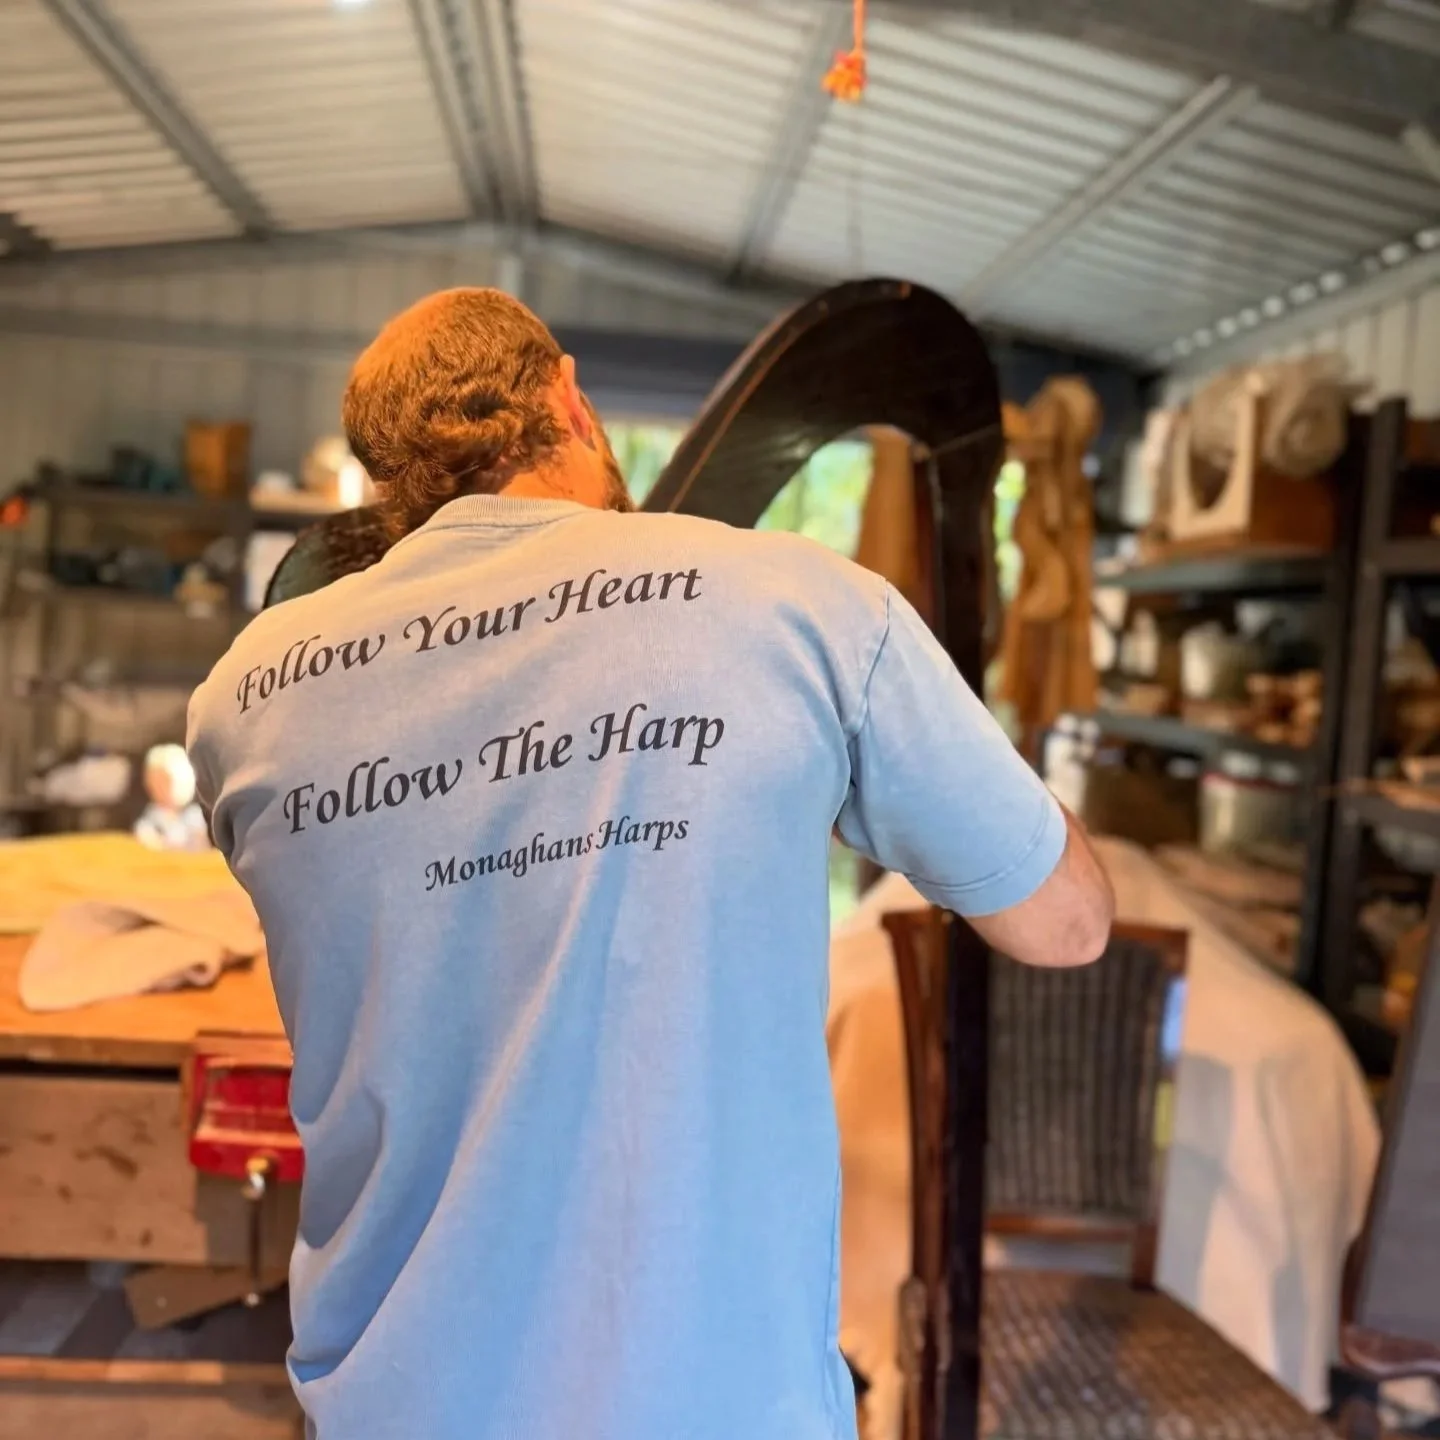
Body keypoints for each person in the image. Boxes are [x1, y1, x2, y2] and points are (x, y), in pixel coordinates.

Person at [186, 287, 1115, 1440]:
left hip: (396, 1399)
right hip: (713, 1400)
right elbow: (1065, 926)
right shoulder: (804, 605)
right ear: (569, 398)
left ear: (388, 480)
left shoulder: (246, 693)